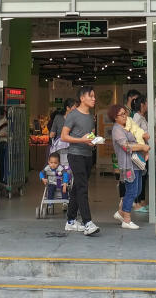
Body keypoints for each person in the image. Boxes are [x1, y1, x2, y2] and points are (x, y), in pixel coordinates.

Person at [61, 86, 102, 236]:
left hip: (87, 154)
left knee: (78, 187)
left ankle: (70, 221)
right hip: (75, 154)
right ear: (82, 98)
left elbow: (89, 135)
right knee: (83, 187)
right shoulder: (73, 115)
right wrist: (81, 140)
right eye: (91, 96)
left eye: (94, 96)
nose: (93, 98)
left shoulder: (91, 116)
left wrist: (92, 140)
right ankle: (87, 223)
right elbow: (63, 137)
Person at [108, 103, 150, 229]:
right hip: (127, 165)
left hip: (136, 163)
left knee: (137, 190)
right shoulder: (117, 129)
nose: (125, 116)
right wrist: (142, 147)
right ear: (115, 117)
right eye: (122, 114)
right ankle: (126, 219)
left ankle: (121, 212)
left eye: (125, 113)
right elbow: (126, 146)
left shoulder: (127, 126)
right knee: (131, 191)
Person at [131, 95, 150, 211]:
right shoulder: (137, 117)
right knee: (139, 177)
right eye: (147, 103)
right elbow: (133, 134)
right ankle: (136, 202)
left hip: (144, 151)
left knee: (144, 176)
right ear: (142, 105)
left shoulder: (142, 117)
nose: (148, 105)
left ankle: (142, 201)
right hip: (139, 152)